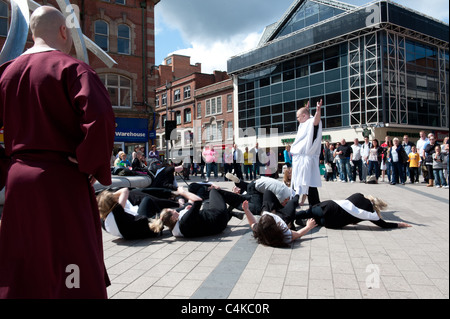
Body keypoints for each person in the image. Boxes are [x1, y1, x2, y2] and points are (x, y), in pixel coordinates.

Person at [0, 6, 115, 298]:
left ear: (32, 32)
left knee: (23, 258)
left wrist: (7, 167)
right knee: (71, 259)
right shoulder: (72, 68)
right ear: (64, 31)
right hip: (62, 178)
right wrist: (89, 162)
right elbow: (100, 116)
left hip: (19, 180)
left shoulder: (5, 74)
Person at [97, 188, 180, 240]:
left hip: (136, 231)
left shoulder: (103, 222)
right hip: (146, 226)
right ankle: (176, 208)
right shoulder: (116, 212)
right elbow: (125, 190)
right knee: (147, 200)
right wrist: (112, 195)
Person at [294, 193, 411, 230]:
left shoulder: (359, 196)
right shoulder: (370, 215)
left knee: (308, 212)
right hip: (333, 223)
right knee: (318, 221)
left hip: (329, 207)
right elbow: (384, 225)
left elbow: (348, 202)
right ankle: (307, 223)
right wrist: (400, 224)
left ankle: (291, 217)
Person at [242, 191, 317, 248]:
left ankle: (281, 205)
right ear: (275, 226)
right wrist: (308, 226)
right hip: (284, 217)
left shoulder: (260, 229)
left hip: (268, 213)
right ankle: (297, 193)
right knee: (292, 202)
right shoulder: (284, 234)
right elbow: (298, 234)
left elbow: (252, 223)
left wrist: (246, 210)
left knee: (267, 193)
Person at [159, 189, 240, 238]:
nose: (175, 210)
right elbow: (198, 200)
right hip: (218, 217)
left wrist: (188, 210)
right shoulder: (185, 221)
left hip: (216, 224)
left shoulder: (174, 228)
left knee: (207, 203)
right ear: (173, 218)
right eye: (172, 211)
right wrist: (183, 192)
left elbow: (190, 218)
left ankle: (230, 213)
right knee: (214, 192)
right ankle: (241, 199)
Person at [291, 99, 323, 207]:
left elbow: (315, 121)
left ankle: (315, 207)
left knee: (308, 185)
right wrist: (307, 109)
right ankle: (295, 205)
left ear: (304, 116)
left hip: (305, 161)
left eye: (298, 117)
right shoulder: (303, 124)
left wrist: (318, 112)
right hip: (299, 160)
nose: (297, 119)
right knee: (299, 185)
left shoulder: (311, 122)